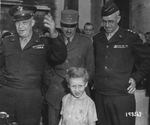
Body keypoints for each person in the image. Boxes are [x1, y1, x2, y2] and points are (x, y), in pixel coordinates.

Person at [0, 5, 67, 125]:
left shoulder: (43, 42)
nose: (20, 27)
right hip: (7, 96)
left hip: (31, 98)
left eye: (25, 22)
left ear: (32, 22)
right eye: (17, 23)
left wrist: (53, 33)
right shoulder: (7, 42)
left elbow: (60, 57)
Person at [93, 1, 150, 125]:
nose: (107, 25)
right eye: (104, 21)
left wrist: (136, 77)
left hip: (122, 97)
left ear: (118, 19)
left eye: (111, 21)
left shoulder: (130, 38)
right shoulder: (97, 39)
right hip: (100, 96)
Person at [44, 9, 95, 125]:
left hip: (79, 94)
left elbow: (90, 69)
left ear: (76, 25)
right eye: (65, 26)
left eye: (72, 26)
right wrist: (52, 82)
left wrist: (80, 86)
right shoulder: (53, 40)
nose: (68, 30)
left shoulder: (85, 42)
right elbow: (46, 67)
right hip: (56, 93)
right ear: (60, 25)